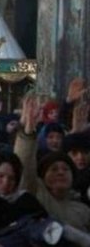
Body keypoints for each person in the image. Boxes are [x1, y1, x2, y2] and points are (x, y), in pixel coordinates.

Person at [14, 94, 90, 232]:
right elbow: (24, 166)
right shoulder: (37, 195)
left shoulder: (84, 209)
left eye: (66, 169)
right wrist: (28, 132)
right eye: (54, 169)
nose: (60, 172)